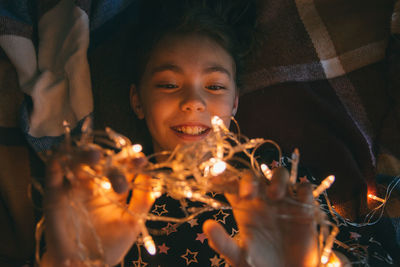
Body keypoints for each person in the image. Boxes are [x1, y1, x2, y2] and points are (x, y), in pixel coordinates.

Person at [35, 1, 395, 266]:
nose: (193, 101)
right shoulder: (106, 198)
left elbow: (373, 253)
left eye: (215, 86)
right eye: (168, 83)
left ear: (236, 102)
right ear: (137, 100)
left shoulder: (274, 181)